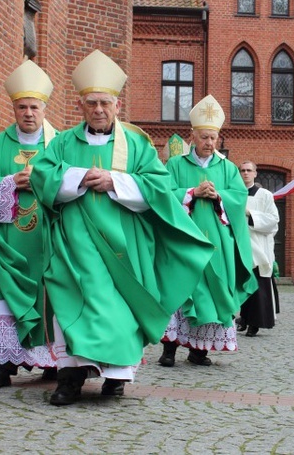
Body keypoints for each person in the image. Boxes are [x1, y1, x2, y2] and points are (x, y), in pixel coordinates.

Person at [30, 50, 214, 405]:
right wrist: (80, 176)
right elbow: (42, 175)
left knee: (120, 308)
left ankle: (115, 378)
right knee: (71, 303)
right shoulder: (64, 142)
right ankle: (69, 378)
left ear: (117, 105)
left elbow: (159, 187)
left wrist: (115, 181)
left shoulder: (137, 144)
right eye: (92, 103)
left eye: (105, 103)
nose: (99, 109)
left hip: (124, 246)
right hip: (74, 244)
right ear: (81, 106)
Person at [0, 60, 57, 387]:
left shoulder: (59, 144)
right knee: (2, 300)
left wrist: (43, 183)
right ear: (14, 108)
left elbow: (70, 187)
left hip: (47, 242)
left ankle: (51, 361)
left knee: (49, 301)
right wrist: (7, 183)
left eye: (34, 106)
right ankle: (2, 364)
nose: (29, 113)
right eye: (22, 107)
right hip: (5, 242)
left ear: (44, 108)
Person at [159, 95, 257, 367]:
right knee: (179, 291)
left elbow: (239, 197)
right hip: (183, 241)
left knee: (211, 294)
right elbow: (163, 195)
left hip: (215, 244)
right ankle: (169, 349)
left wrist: (219, 196)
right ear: (193, 136)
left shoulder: (226, 167)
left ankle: (199, 350)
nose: (209, 143)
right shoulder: (176, 165)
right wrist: (191, 192)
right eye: (204, 137)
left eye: (213, 138)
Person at [237, 161, 279, 337]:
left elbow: (273, 221)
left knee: (257, 286)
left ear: (255, 173)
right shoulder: (234, 193)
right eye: (242, 170)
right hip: (238, 244)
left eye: (249, 170)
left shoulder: (265, 195)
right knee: (241, 283)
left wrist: (250, 214)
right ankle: (243, 319)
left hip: (258, 245)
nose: (245, 173)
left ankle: (256, 322)